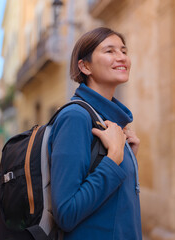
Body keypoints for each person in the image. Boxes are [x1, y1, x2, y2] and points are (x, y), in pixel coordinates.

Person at [48, 27, 142, 239]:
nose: (122, 58)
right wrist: (114, 158)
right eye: (110, 51)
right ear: (85, 66)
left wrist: (128, 157)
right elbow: (66, 213)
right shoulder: (76, 117)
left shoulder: (105, 119)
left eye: (124, 51)